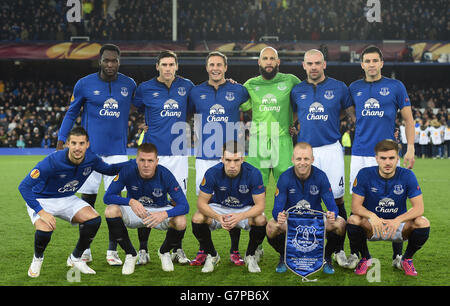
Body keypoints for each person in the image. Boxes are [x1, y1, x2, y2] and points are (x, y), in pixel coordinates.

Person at [56, 43, 137, 265]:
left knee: (116, 205)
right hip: (90, 155)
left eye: (114, 60)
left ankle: (112, 251)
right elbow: (71, 112)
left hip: (119, 155)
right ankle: (85, 250)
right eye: (106, 60)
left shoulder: (129, 84)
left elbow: (145, 105)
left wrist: (149, 124)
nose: (110, 64)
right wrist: (61, 140)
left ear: (119, 62)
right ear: (100, 61)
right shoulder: (84, 84)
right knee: (87, 203)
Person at [19, 127, 129, 278]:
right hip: (42, 199)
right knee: (45, 229)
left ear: (87, 144)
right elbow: (24, 187)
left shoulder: (92, 159)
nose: (77, 148)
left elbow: (109, 170)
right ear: (67, 144)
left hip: (67, 198)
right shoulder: (52, 161)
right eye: (74, 143)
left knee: (94, 219)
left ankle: (75, 257)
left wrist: (133, 163)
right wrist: (42, 212)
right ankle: (38, 258)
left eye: (81, 143)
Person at [348, 45, 416, 265]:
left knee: (394, 202)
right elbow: (348, 113)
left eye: (375, 60)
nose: (371, 65)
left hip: (387, 153)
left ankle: (397, 255)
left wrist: (411, 147)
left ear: (381, 63)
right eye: (367, 61)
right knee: (359, 205)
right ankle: (363, 256)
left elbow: (409, 119)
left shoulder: (396, 86)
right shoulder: (354, 87)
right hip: (359, 153)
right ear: (361, 64)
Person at [290, 49, 355, 267]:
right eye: (310, 63)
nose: (314, 67)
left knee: (336, 200)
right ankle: (304, 246)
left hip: (331, 149)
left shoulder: (339, 87)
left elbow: (350, 113)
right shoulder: (297, 90)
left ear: (324, 64)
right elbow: (294, 116)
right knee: (306, 200)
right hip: (307, 152)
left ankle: (337, 250)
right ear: (304, 65)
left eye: (318, 63)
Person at [188, 51, 250, 266]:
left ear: (226, 68)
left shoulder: (239, 90)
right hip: (205, 156)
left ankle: (235, 250)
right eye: (212, 64)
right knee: (203, 206)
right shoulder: (195, 92)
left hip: (231, 157)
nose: (215, 68)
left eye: (219, 65)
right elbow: (182, 113)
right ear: (207, 68)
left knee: (234, 203)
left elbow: (256, 104)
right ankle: (205, 250)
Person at [132, 50, 194, 265]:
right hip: (153, 155)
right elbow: (139, 107)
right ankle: (142, 250)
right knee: (146, 201)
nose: (168, 68)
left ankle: (176, 249)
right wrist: (144, 124)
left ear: (177, 66)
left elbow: (196, 108)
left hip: (178, 155)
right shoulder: (145, 88)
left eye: (171, 64)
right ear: (157, 66)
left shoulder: (187, 87)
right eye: (164, 64)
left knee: (179, 203)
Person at [103, 143, 189, 274]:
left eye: (150, 161)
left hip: (159, 210)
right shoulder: (127, 170)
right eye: (142, 160)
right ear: (136, 160)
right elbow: (107, 197)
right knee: (110, 210)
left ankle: (164, 252)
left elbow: (184, 206)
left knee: (181, 221)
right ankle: (130, 254)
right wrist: (130, 201)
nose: (146, 165)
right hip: (135, 211)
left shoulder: (165, 174)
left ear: (157, 161)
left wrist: (164, 214)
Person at [347, 139, 430, 276]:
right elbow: (355, 206)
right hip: (372, 226)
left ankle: (406, 258)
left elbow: (419, 208)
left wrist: (398, 220)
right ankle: (366, 257)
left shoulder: (407, 175)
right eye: (383, 158)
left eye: (392, 158)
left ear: (398, 158)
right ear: (376, 158)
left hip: (399, 227)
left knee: (422, 222)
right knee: (353, 219)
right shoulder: (364, 174)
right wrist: (372, 216)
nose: (387, 162)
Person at [266, 142, 345, 274]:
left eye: (306, 159)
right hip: (292, 221)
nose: (302, 162)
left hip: (315, 221)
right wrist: (278, 216)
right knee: (271, 227)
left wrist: (333, 214)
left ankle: (325, 257)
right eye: (298, 159)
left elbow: (332, 206)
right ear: (292, 159)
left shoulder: (321, 176)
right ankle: (285, 256)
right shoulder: (285, 177)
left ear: (312, 159)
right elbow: (277, 208)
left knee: (340, 224)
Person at [191, 141, 267, 273]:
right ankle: (212, 255)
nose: (232, 165)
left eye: (236, 160)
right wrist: (218, 217)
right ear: (222, 158)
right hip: (219, 207)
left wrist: (241, 216)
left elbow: (260, 205)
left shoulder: (254, 173)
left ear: (242, 159)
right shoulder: (212, 173)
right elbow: (201, 203)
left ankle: (250, 255)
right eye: (228, 160)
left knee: (260, 220)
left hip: (244, 208)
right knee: (197, 218)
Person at [240, 46, 301, 188]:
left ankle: (285, 211)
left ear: (278, 62)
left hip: (283, 140)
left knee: (287, 185)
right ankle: (258, 212)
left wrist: (294, 121)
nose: (269, 62)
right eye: (265, 58)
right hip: (258, 141)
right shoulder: (250, 84)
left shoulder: (291, 81)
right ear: (259, 62)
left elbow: (305, 100)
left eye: (272, 58)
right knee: (257, 186)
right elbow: (245, 107)